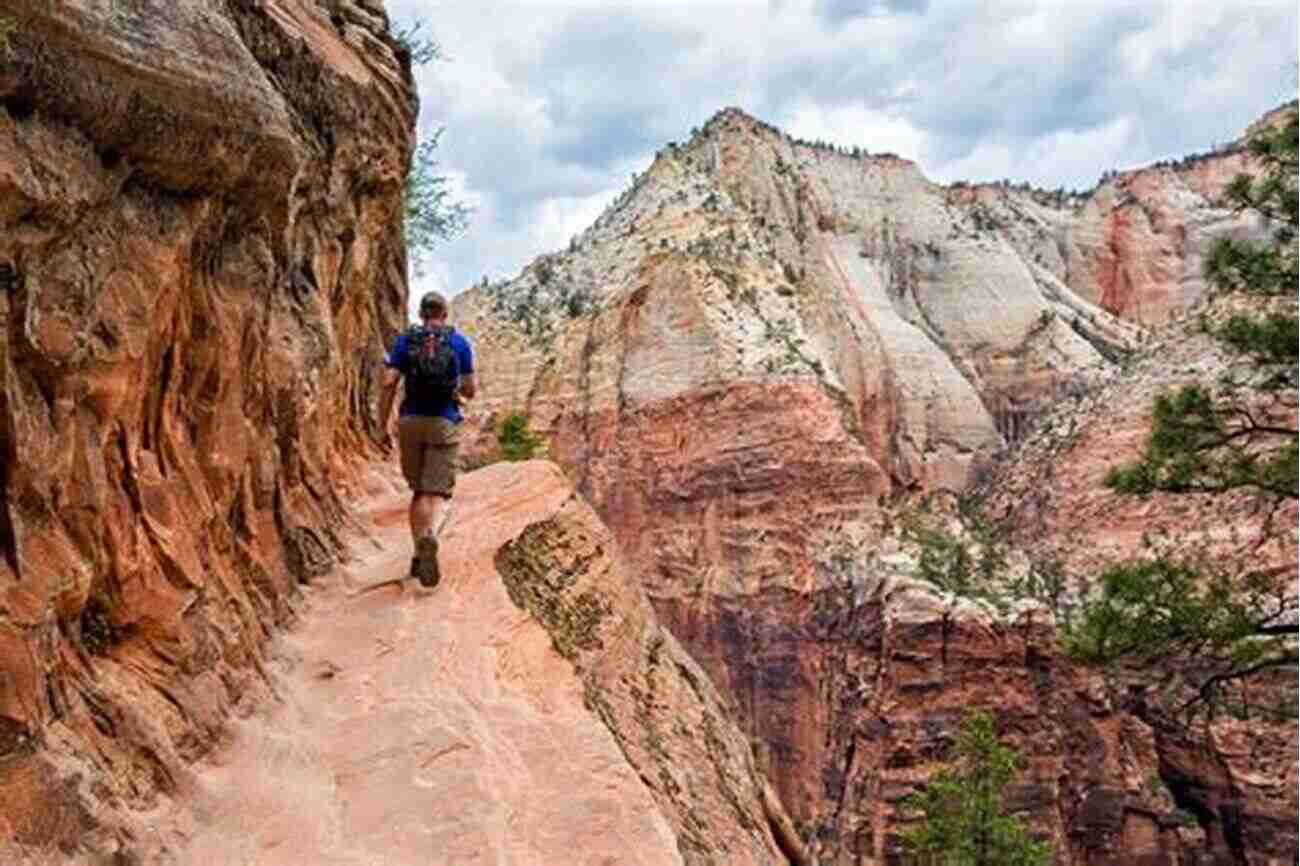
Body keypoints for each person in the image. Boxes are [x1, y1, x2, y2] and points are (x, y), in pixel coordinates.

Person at [378, 291, 476, 587]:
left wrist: (382, 424)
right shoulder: (458, 343)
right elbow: (470, 389)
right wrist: (458, 394)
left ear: (421, 314)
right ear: (444, 314)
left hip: (410, 422)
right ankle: (429, 537)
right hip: (443, 421)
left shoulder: (406, 340)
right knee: (436, 492)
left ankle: (418, 553)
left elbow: (388, 382)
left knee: (419, 491)